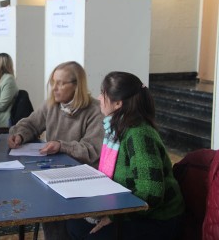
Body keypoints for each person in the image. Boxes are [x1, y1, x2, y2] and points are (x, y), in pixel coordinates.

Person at [66, 71, 184, 240]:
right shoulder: (117, 127)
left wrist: (113, 217)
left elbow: (152, 193)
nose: (99, 98)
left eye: (103, 93)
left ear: (118, 103)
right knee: (75, 225)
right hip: (133, 211)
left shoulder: (138, 134)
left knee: (89, 235)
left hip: (159, 219)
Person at [7, 61, 104, 239]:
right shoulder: (52, 105)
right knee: (48, 211)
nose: (54, 88)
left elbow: (91, 150)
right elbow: (30, 124)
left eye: (61, 83)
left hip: (82, 179)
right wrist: (20, 135)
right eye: (53, 82)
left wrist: (61, 145)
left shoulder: (95, 110)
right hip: (52, 174)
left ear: (77, 86)